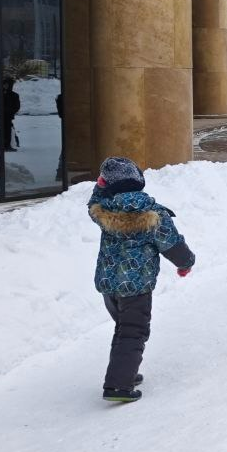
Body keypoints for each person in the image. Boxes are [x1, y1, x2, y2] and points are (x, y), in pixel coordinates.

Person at [87, 156, 195, 402]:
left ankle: (124, 370)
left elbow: (94, 199)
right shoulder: (153, 214)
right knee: (133, 332)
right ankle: (118, 386)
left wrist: (101, 184)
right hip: (136, 287)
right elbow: (172, 244)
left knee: (124, 329)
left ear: (105, 185)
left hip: (108, 286)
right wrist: (185, 263)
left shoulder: (103, 209)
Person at [2, 77, 20, 151]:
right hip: (3, 115)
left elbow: (17, 106)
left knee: (8, 130)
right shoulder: (1, 93)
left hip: (8, 116)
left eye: (7, 84)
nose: (5, 86)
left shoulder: (14, 95)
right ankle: (7, 144)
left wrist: (10, 111)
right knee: (6, 130)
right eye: (4, 84)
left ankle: (8, 145)